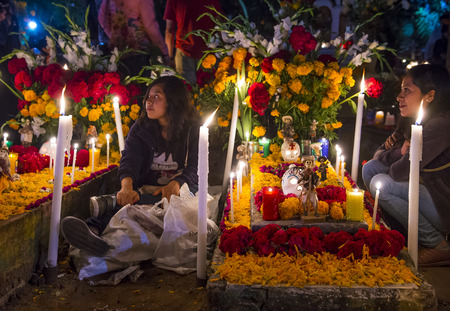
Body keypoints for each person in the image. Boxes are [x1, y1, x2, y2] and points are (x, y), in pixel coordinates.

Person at [61, 76, 201, 256]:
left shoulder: (193, 129)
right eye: (148, 96)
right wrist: (126, 188)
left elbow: (196, 168)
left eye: (156, 97)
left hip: (183, 191)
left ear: (173, 101)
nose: (148, 102)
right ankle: (92, 234)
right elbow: (129, 160)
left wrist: (177, 183)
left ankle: (102, 212)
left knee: (143, 203)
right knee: (130, 199)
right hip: (146, 189)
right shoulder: (142, 127)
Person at [362, 63, 450, 267]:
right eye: (401, 89)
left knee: (380, 183)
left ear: (429, 96)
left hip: (442, 205)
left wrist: (398, 156)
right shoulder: (416, 121)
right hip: (425, 193)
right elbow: (379, 155)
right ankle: (406, 231)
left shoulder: (440, 125)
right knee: (370, 169)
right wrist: (398, 153)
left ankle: (438, 244)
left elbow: (400, 171)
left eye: (407, 90)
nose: (399, 96)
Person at [163, 0, 222, 85]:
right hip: (208, 54)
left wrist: (170, 57)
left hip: (184, 53)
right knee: (208, 93)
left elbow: (169, 32)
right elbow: (219, 22)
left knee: (187, 93)